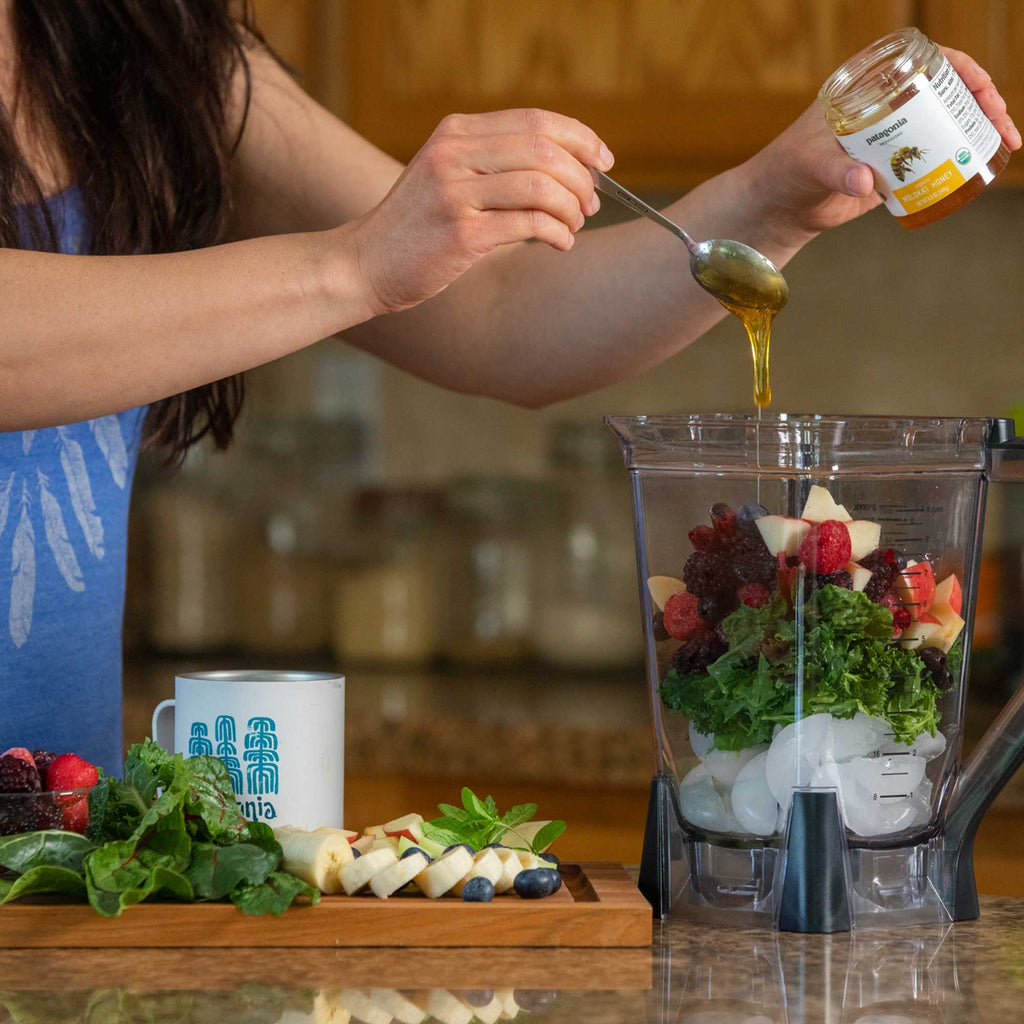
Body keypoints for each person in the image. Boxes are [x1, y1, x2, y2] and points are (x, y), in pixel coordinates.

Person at [0, 1, 1017, 774]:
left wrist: (769, 199)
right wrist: (351, 264)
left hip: (59, 832)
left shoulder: (135, 33)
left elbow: (497, 317)